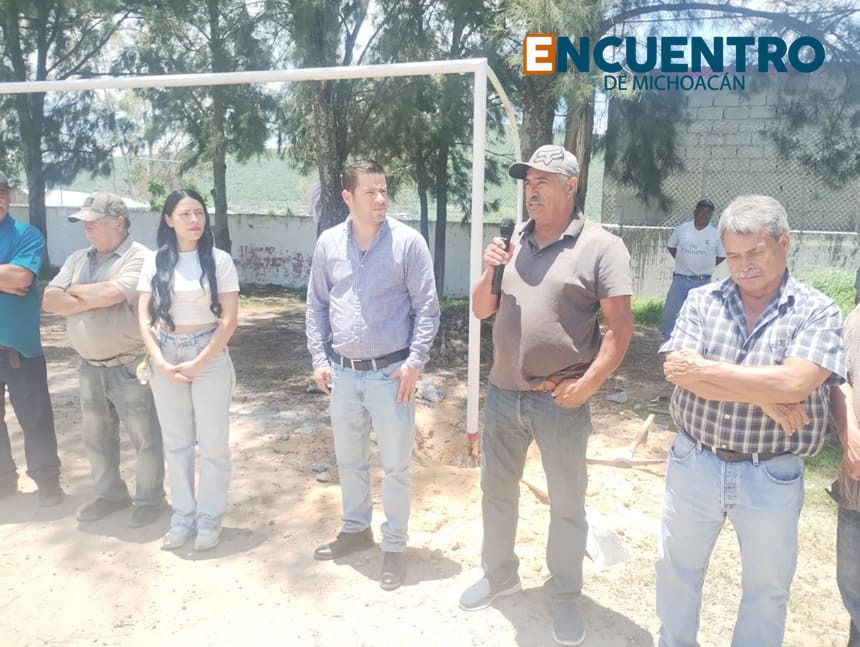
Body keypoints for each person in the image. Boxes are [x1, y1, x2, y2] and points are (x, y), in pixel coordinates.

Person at [459, 144, 634, 646]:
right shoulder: (513, 239)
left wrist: (587, 386)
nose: (531, 190)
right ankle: (499, 575)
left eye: (543, 181)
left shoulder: (602, 246)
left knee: (566, 503)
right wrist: (490, 268)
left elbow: (620, 329)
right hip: (503, 393)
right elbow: (481, 309)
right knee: (497, 491)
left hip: (560, 401)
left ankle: (564, 595)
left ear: (570, 186)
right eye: (528, 182)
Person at [657, 194, 846, 647]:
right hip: (694, 462)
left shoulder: (817, 310)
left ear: (785, 242)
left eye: (755, 252)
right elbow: (676, 370)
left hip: (771, 472)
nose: (743, 266)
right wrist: (766, 396)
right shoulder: (702, 300)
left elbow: (796, 383)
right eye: (734, 255)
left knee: (766, 590)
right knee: (676, 571)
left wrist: (708, 372)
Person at [305, 160, 440, 592]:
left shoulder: (408, 243)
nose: (380, 198)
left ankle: (394, 546)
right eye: (370, 191)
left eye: (384, 190)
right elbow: (317, 305)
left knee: (396, 467)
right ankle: (356, 529)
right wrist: (319, 358)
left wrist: (415, 362)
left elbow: (428, 308)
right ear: (348, 197)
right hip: (343, 376)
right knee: (350, 461)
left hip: (391, 376)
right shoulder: (328, 244)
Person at [43, 192, 165, 526]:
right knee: (96, 438)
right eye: (84, 223)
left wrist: (75, 291)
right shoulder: (78, 258)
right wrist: (95, 296)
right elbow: (50, 300)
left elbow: (114, 293)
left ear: (119, 223)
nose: (87, 229)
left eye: (94, 222)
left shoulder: (142, 258)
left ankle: (149, 500)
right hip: (90, 367)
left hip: (131, 364)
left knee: (145, 437)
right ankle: (110, 495)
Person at [137, 189, 239, 552]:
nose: (194, 220)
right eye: (185, 214)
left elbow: (229, 320)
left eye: (199, 212)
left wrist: (199, 362)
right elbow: (144, 317)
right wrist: (160, 361)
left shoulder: (219, 260)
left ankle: (209, 519)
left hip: (209, 354)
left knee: (213, 444)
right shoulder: (155, 261)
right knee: (177, 443)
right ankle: (183, 517)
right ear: (168, 220)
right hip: (165, 352)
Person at [0, 171, 64, 506]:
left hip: (19, 347)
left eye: (2, 191)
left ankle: (47, 480)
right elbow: (8, 277)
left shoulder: (27, 234)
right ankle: (3, 480)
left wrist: (12, 278)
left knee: (35, 416)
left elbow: (21, 277)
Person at [831, 303, 860, 646]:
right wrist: (849, 434)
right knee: (855, 597)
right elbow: (840, 380)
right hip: (857, 489)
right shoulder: (856, 321)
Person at [661, 198, 725, 341]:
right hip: (680, 279)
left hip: (702, 282)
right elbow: (671, 246)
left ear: (711, 215)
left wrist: (706, 265)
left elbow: (721, 256)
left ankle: (696, 342)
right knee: (670, 312)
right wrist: (683, 260)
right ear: (695, 212)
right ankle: (668, 341)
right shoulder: (682, 229)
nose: (704, 215)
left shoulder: (715, 233)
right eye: (701, 211)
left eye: (708, 212)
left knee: (701, 314)